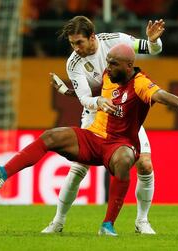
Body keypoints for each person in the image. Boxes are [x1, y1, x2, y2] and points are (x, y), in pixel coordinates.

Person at [0, 43, 178, 236]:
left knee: (126, 159)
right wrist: (66, 92)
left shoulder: (140, 83)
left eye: (113, 63)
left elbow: (160, 94)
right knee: (51, 136)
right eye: (107, 62)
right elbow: (90, 93)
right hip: (93, 136)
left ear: (129, 66)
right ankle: (3, 174)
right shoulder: (110, 76)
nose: (107, 67)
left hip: (119, 144)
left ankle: (108, 225)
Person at [43, 16, 165, 235]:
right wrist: (95, 101)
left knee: (145, 164)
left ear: (92, 37)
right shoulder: (73, 63)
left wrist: (153, 41)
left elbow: (151, 48)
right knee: (79, 167)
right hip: (94, 114)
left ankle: (142, 221)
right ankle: (58, 221)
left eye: (79, 42)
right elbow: (85, 98)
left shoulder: (116, 40)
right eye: (71, 44)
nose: (75, 49)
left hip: (125, 112)